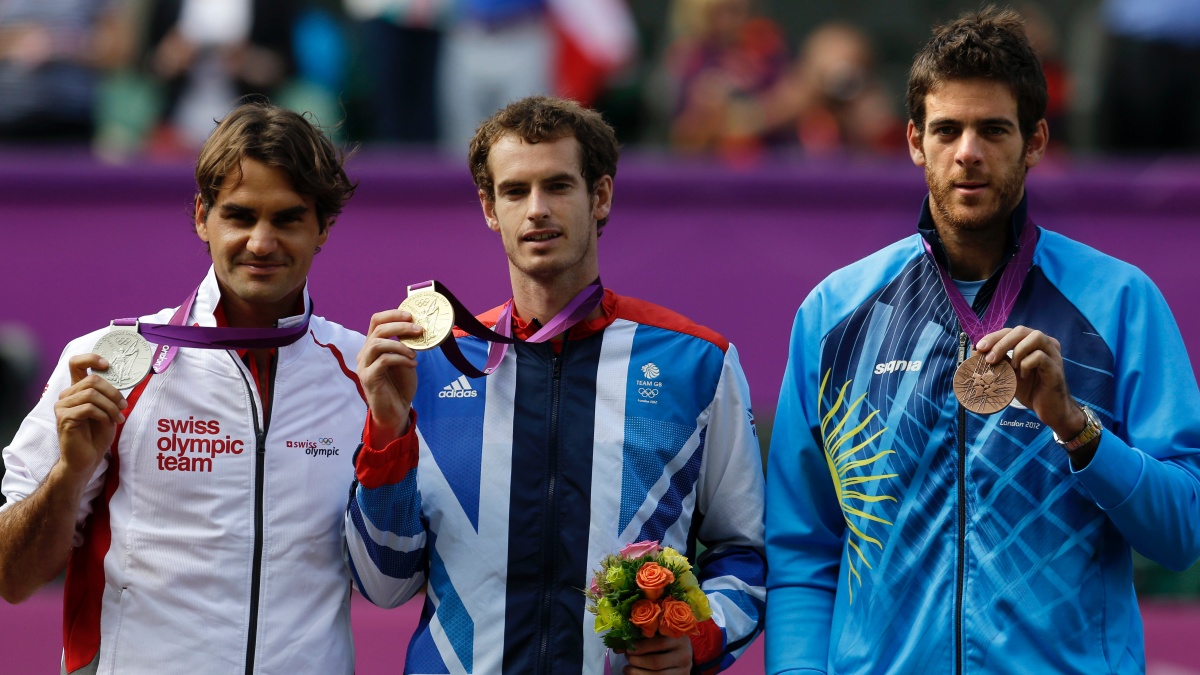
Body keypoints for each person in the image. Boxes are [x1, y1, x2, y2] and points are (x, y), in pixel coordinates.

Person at [765, 7, 1200, 674]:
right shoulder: (834, 313)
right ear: (914, 140)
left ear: (1036, 141)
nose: (968, 151)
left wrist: (1078, 430)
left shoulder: (1119, 303)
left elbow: (1182, 532)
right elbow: (802, 548)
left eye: (993, 129)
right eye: (948, 129)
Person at [345, 95, 766, 674]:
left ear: (601, 197)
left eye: (559, 186)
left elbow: (744, 551)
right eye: (515, 192)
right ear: (490, 208)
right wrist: (386, 433)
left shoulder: (696, 362)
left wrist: (698, 636)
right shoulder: (433, 366)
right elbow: (383, 583)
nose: (537, 209)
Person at [0, 101, 365, 674]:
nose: (262, 242)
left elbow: (396, 578)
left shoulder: (362, 374)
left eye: (288, 218)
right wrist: (68, 474)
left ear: (323, 226)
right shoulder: (109, 362)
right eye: (240, 216)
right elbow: (12, 577)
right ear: (202, 217)